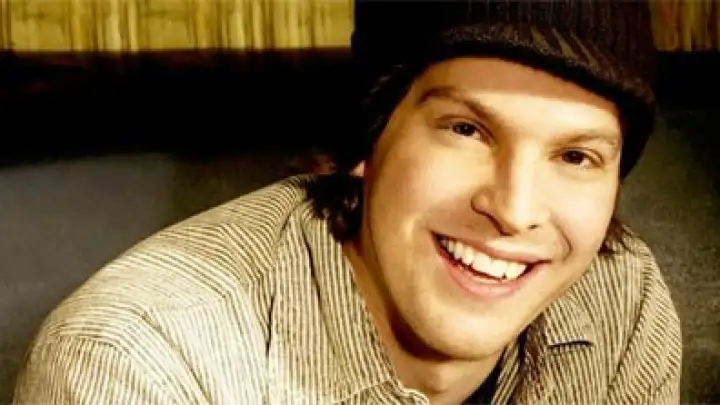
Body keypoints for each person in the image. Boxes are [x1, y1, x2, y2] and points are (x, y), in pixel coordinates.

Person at [14, 1, 682, 404]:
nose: (515, 209)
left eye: (576, 156)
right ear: (368, 140)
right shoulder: (138, 362)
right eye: (466, 130)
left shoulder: (620, 295)